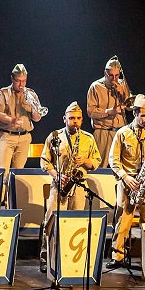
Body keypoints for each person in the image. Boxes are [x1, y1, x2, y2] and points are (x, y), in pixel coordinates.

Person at [107, 94, 145, 269]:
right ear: (135, 113)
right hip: (128, 181)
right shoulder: (123, 133)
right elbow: (113, 159)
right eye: (143, 116)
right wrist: (125, 177)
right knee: (122, 220)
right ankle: (117, 256)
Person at [39, 102, 101, 267]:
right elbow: (44, 162)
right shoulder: (54, 137)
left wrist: (85, 161)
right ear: (64, 118)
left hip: (79, 186)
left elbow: (96, 162)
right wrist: (56, 175)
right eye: (72, 118)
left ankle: (72, 258)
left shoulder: (88, 138)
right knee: (51, 221)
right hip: (59, 185)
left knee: (76, 223)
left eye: (78, 118)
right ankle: (47, 257)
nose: (75, 121)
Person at [0, 63, 42, 177]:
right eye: (18, 81)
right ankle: (1, 195)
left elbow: (37, 118)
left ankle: (14, 195)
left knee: (18, 175)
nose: (21, 84)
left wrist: (34, 109)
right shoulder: (3, 93)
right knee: (2, 172)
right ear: (12, 79)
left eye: (24, 81)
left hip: (25, 138)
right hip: (7, 137)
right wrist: (11, 120)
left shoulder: (31, 93)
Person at [87, 57, 131, 168]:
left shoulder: (122, 84)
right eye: (111, 75)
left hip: (119, 131)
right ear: (105, 73)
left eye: (117, 75)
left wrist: (123, 94)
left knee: (121, 166)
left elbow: (131, 107)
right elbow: (91, 112)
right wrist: (109, 112)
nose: (114, 79)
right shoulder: (96, 86)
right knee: (100, 166)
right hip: (102, 132)